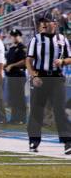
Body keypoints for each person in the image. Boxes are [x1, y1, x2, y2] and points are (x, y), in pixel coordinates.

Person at [25, 13, 70, 154]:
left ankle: (68, 142)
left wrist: (62, 61)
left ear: (54, 23)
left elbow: (70, 58)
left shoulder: (62, 39)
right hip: (40, 78)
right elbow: (29, 60)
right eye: (42, 22)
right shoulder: (36, 39)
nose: (44, 24)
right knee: (36, 111)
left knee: (60, 111)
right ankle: (34, 141)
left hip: (57, 78)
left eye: (47, 21)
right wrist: (33, 76)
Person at [5, 29, 27, 124]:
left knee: (20, 98)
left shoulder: (22, 47)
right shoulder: (11, 48)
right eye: (13, 35)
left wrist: (12, 65)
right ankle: (14, 118)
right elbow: (8, 61)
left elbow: (24, 61)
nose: (14, 37)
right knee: (13, 98)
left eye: (16, 35)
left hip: (19, 75)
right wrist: (6, 66)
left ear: (20, 36)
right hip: (11, 76)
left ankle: (21, 118)